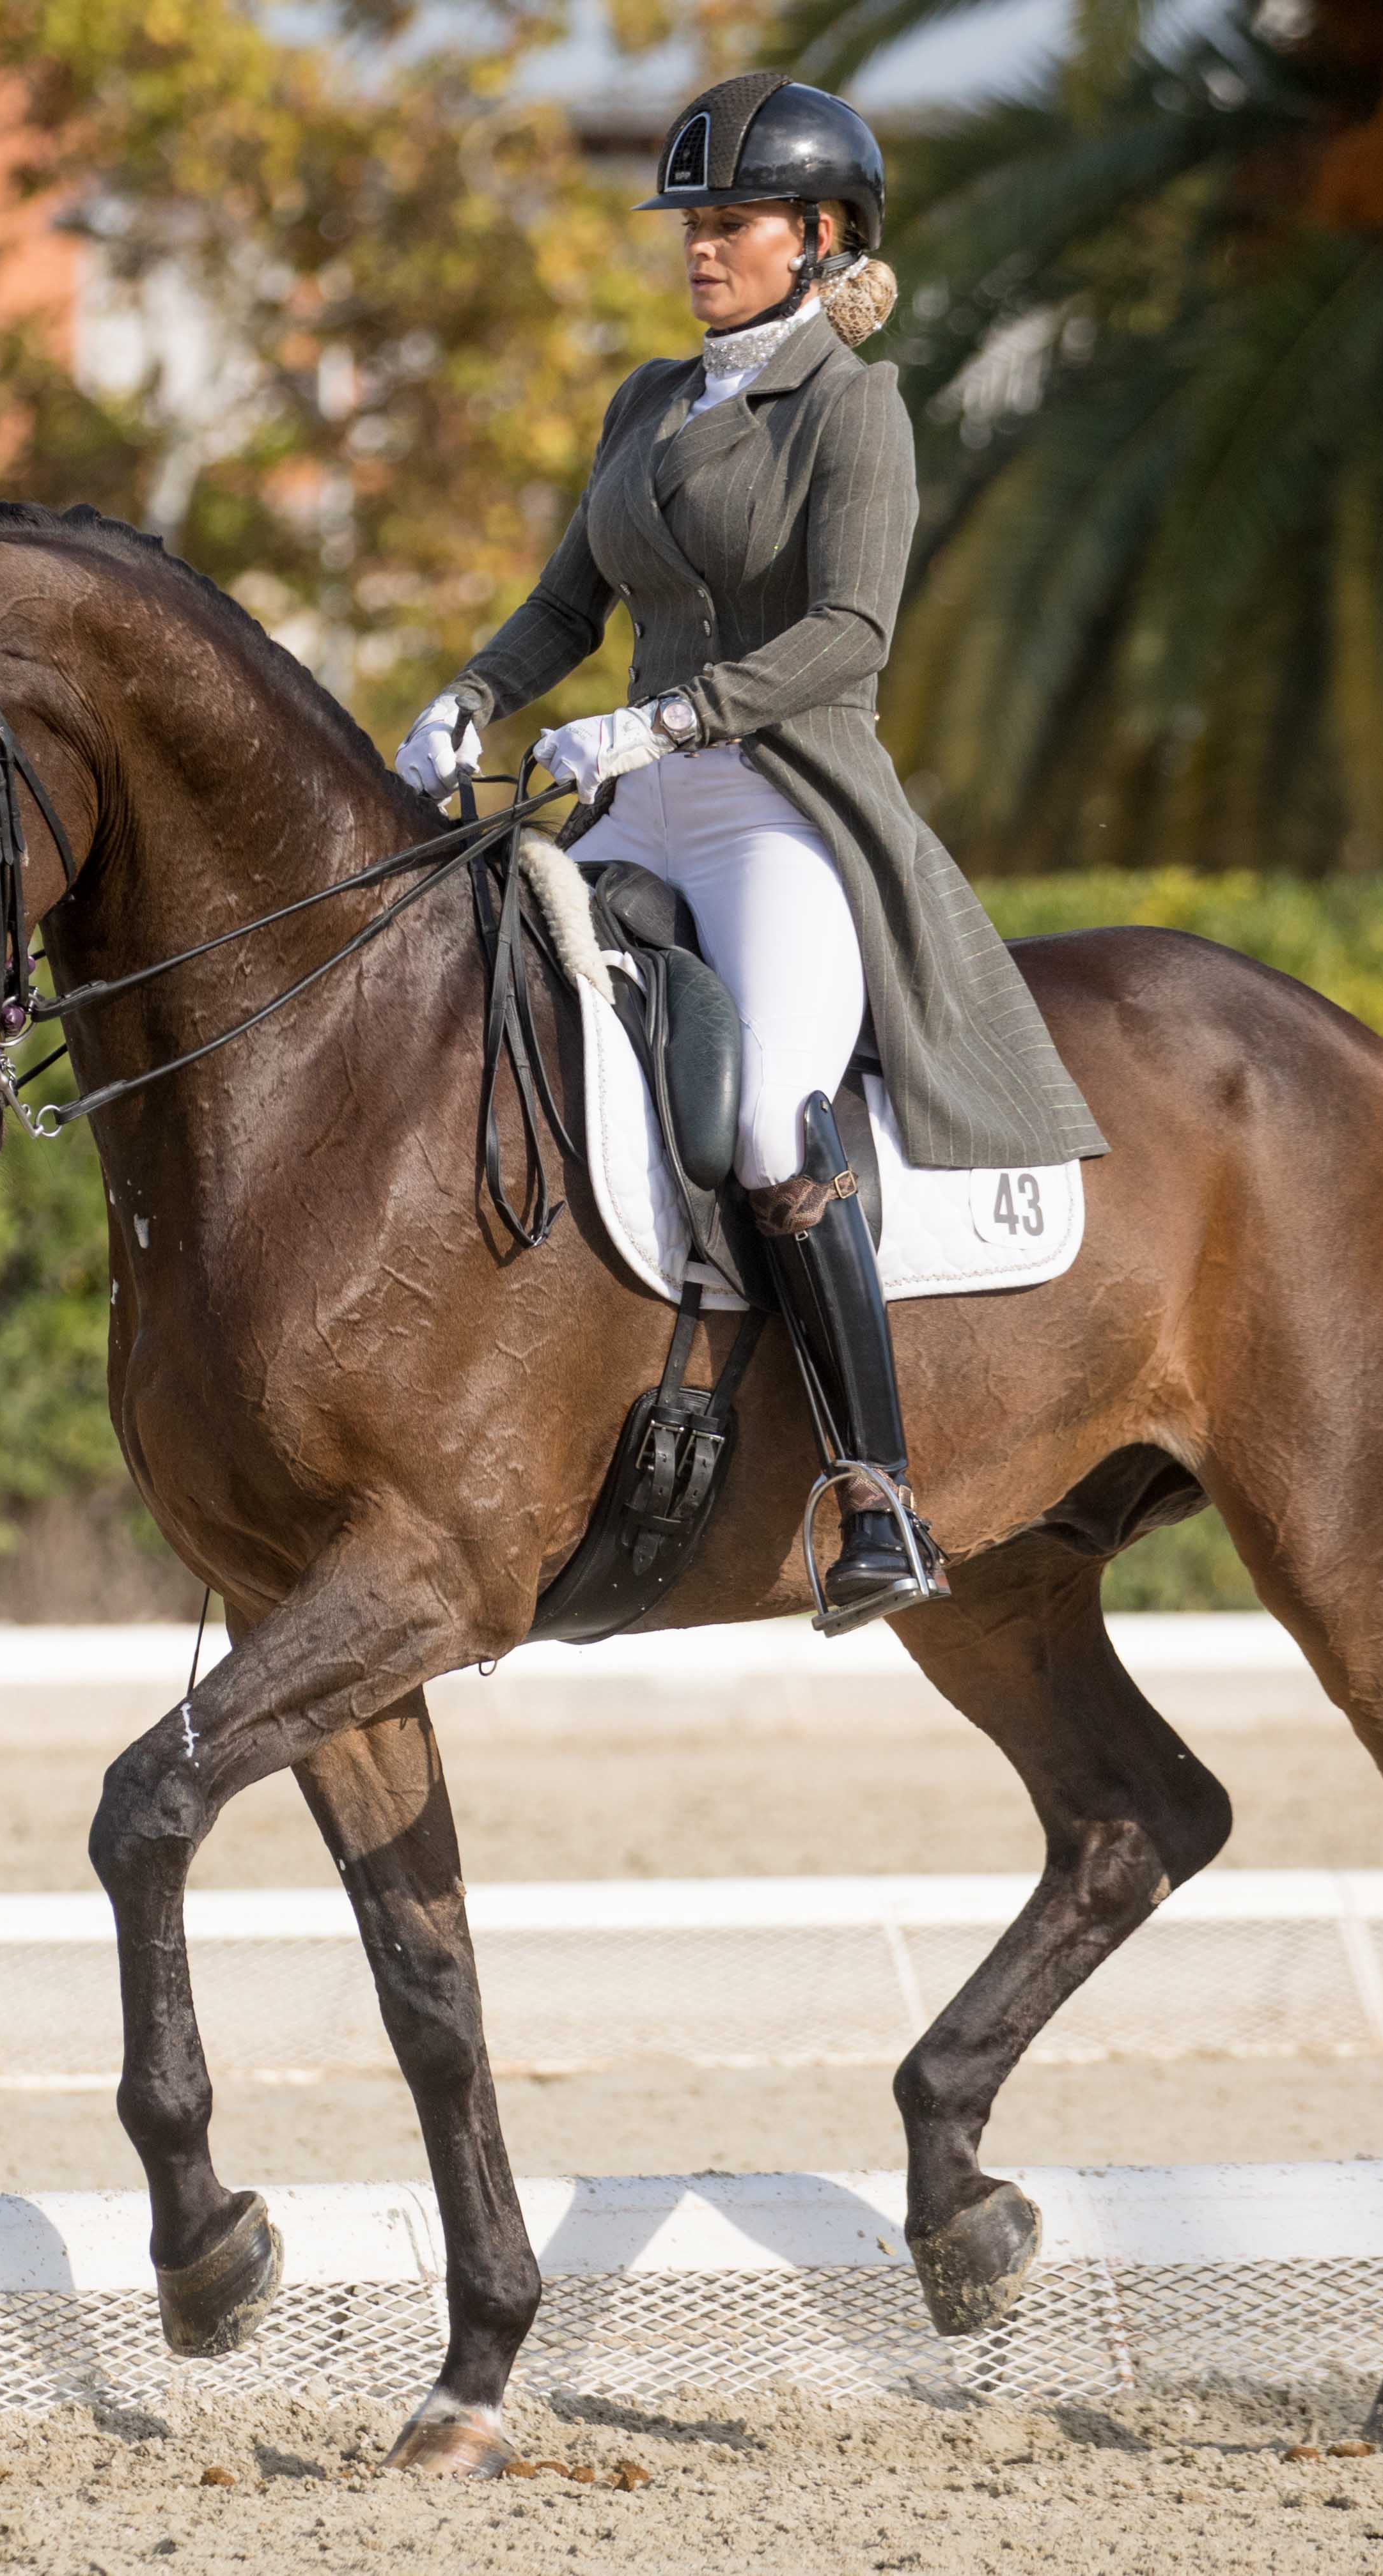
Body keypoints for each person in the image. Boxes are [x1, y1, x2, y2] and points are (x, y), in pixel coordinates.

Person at [393, 72, 1109, 1633]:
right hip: (637, 798)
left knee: (780, 1116)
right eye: (691, 224)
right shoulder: (648, 402)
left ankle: (876, 1492)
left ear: (822, 235)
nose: (698, 249)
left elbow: (850, 633)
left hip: (780, 799)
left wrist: (665, 725)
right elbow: (569, 605)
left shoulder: (853, 407)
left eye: (728, 224)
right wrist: (469, 698)